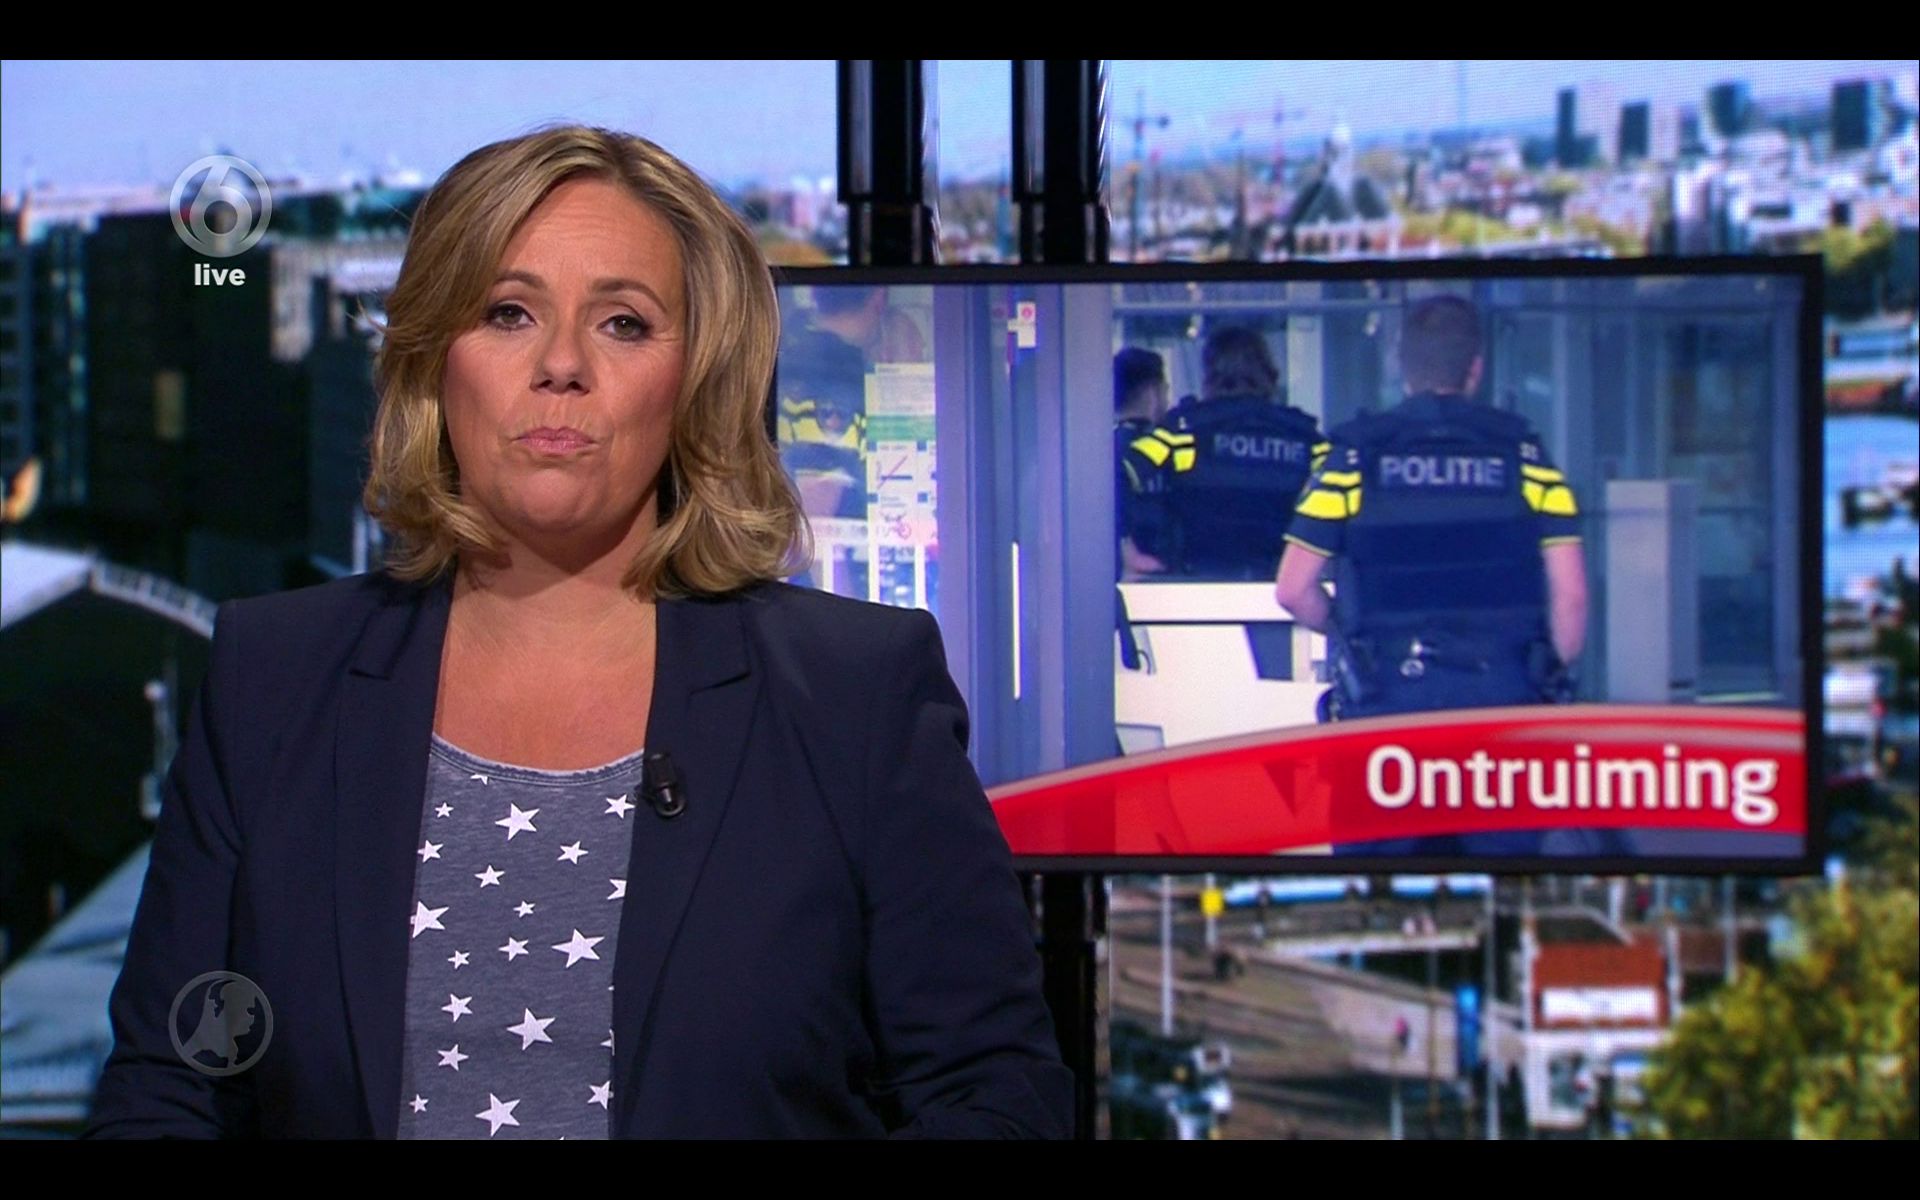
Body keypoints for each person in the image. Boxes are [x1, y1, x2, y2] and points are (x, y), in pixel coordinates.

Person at [83, 125, 1073, 1140]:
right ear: (433, 361)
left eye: (624, 324)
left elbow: (996, 1100)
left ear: (698, 377)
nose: (561, 365)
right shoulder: (272, 677)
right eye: (507, 313)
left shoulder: (856, 694)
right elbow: (168, 1088)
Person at [1274, 294, 1592, 856]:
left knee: (1377, 889)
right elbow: (1571, 600)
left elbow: (1293, 589)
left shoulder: (1353, 461)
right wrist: (1545, 678)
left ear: (1402, 364)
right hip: (1500, 702)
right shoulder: (1527, 459)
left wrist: (1347, 631)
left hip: (1386, 704)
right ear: (1476, 368)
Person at [1125, 326, 1324, 580]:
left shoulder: (1184, 432)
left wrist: (1126, 546)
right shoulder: (1303, 437)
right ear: (1268, 371)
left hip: (1195, 585)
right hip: (1277, 585)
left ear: (1210, 373)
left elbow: (1121, 474)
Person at [1113, 347, 1171, 580]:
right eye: (1165, 391)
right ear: (1152, 394)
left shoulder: (1097, 452)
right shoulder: (1169, 448)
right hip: (1164, 575)